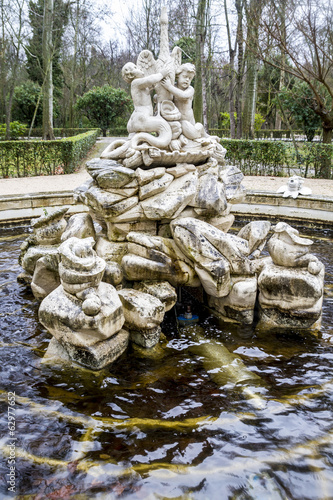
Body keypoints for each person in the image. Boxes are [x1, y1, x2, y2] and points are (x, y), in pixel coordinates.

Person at [121, 62, 173, 149]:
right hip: (142, 118)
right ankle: (147, 149)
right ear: (130, 75)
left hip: (136, 118)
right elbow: (149, 80)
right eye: (135, 67)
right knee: (165, 129)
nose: (140, 68)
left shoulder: (140, 86)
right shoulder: (136, 83)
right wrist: (161, 74)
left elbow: (147, 89)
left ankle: (135, 146)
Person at [161, 63, 208, 142]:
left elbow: (183, 95)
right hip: (177, 122)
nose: (187, 80)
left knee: (191, 131)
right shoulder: (173, 88)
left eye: (190, 78)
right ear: (178, 76)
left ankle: (200, 132)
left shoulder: (190, 89)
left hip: (189, 123)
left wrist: (169, 87)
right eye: (185, 77)